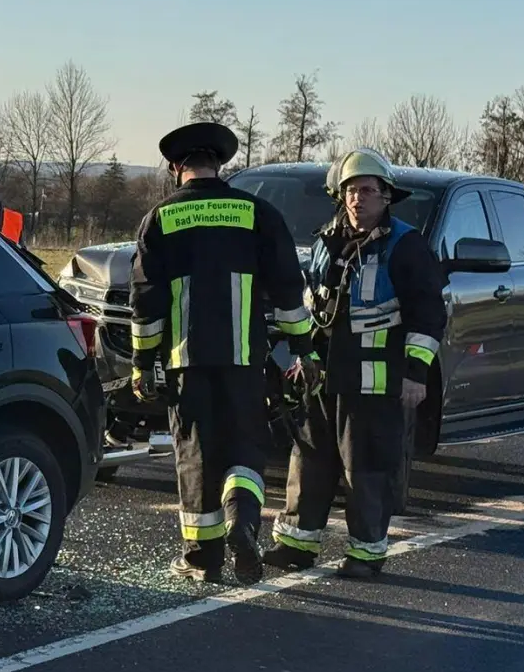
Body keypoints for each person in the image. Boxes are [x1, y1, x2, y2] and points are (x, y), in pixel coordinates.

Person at [129, 122, 319, 586]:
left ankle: (202, 559)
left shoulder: (161, 218)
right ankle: (244, 524)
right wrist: (302, 348)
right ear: (220, 164)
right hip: (243, 362)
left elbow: (145, 298)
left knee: (196, 453)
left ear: (177, 167)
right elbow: (289, 289)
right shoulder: (258, 213)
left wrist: (142, 363)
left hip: (185, 361)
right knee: (243, 447)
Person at [263, 148, 448, 580]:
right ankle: (296, 545)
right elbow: (311, 306)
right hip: (322, 377)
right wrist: (302, 357)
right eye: (350, 191)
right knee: (309, 459)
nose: (357, 199)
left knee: (364, 467)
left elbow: (428, 315)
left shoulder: (406, 245)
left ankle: (366, 555)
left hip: (373, 381)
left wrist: (416, 373)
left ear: (386, 196)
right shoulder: (327, 241)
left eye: (367, 190)